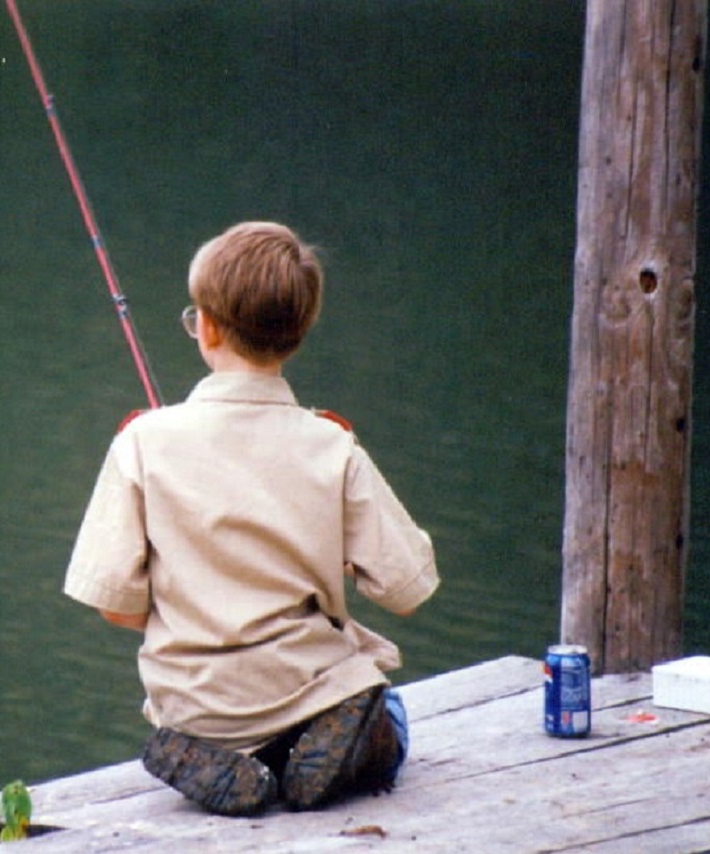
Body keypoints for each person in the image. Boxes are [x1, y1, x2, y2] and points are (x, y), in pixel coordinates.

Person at [63, 221, 439, 817]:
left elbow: (114, 603)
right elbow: (407, 589)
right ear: (299, 332)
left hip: (197, 710)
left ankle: (212, 757)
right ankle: (326, 755)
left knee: (210, 726)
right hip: (316, 693)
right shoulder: (331, 446)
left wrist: (194, 600)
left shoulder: (141, 443)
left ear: (206, 327)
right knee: (390, 713)